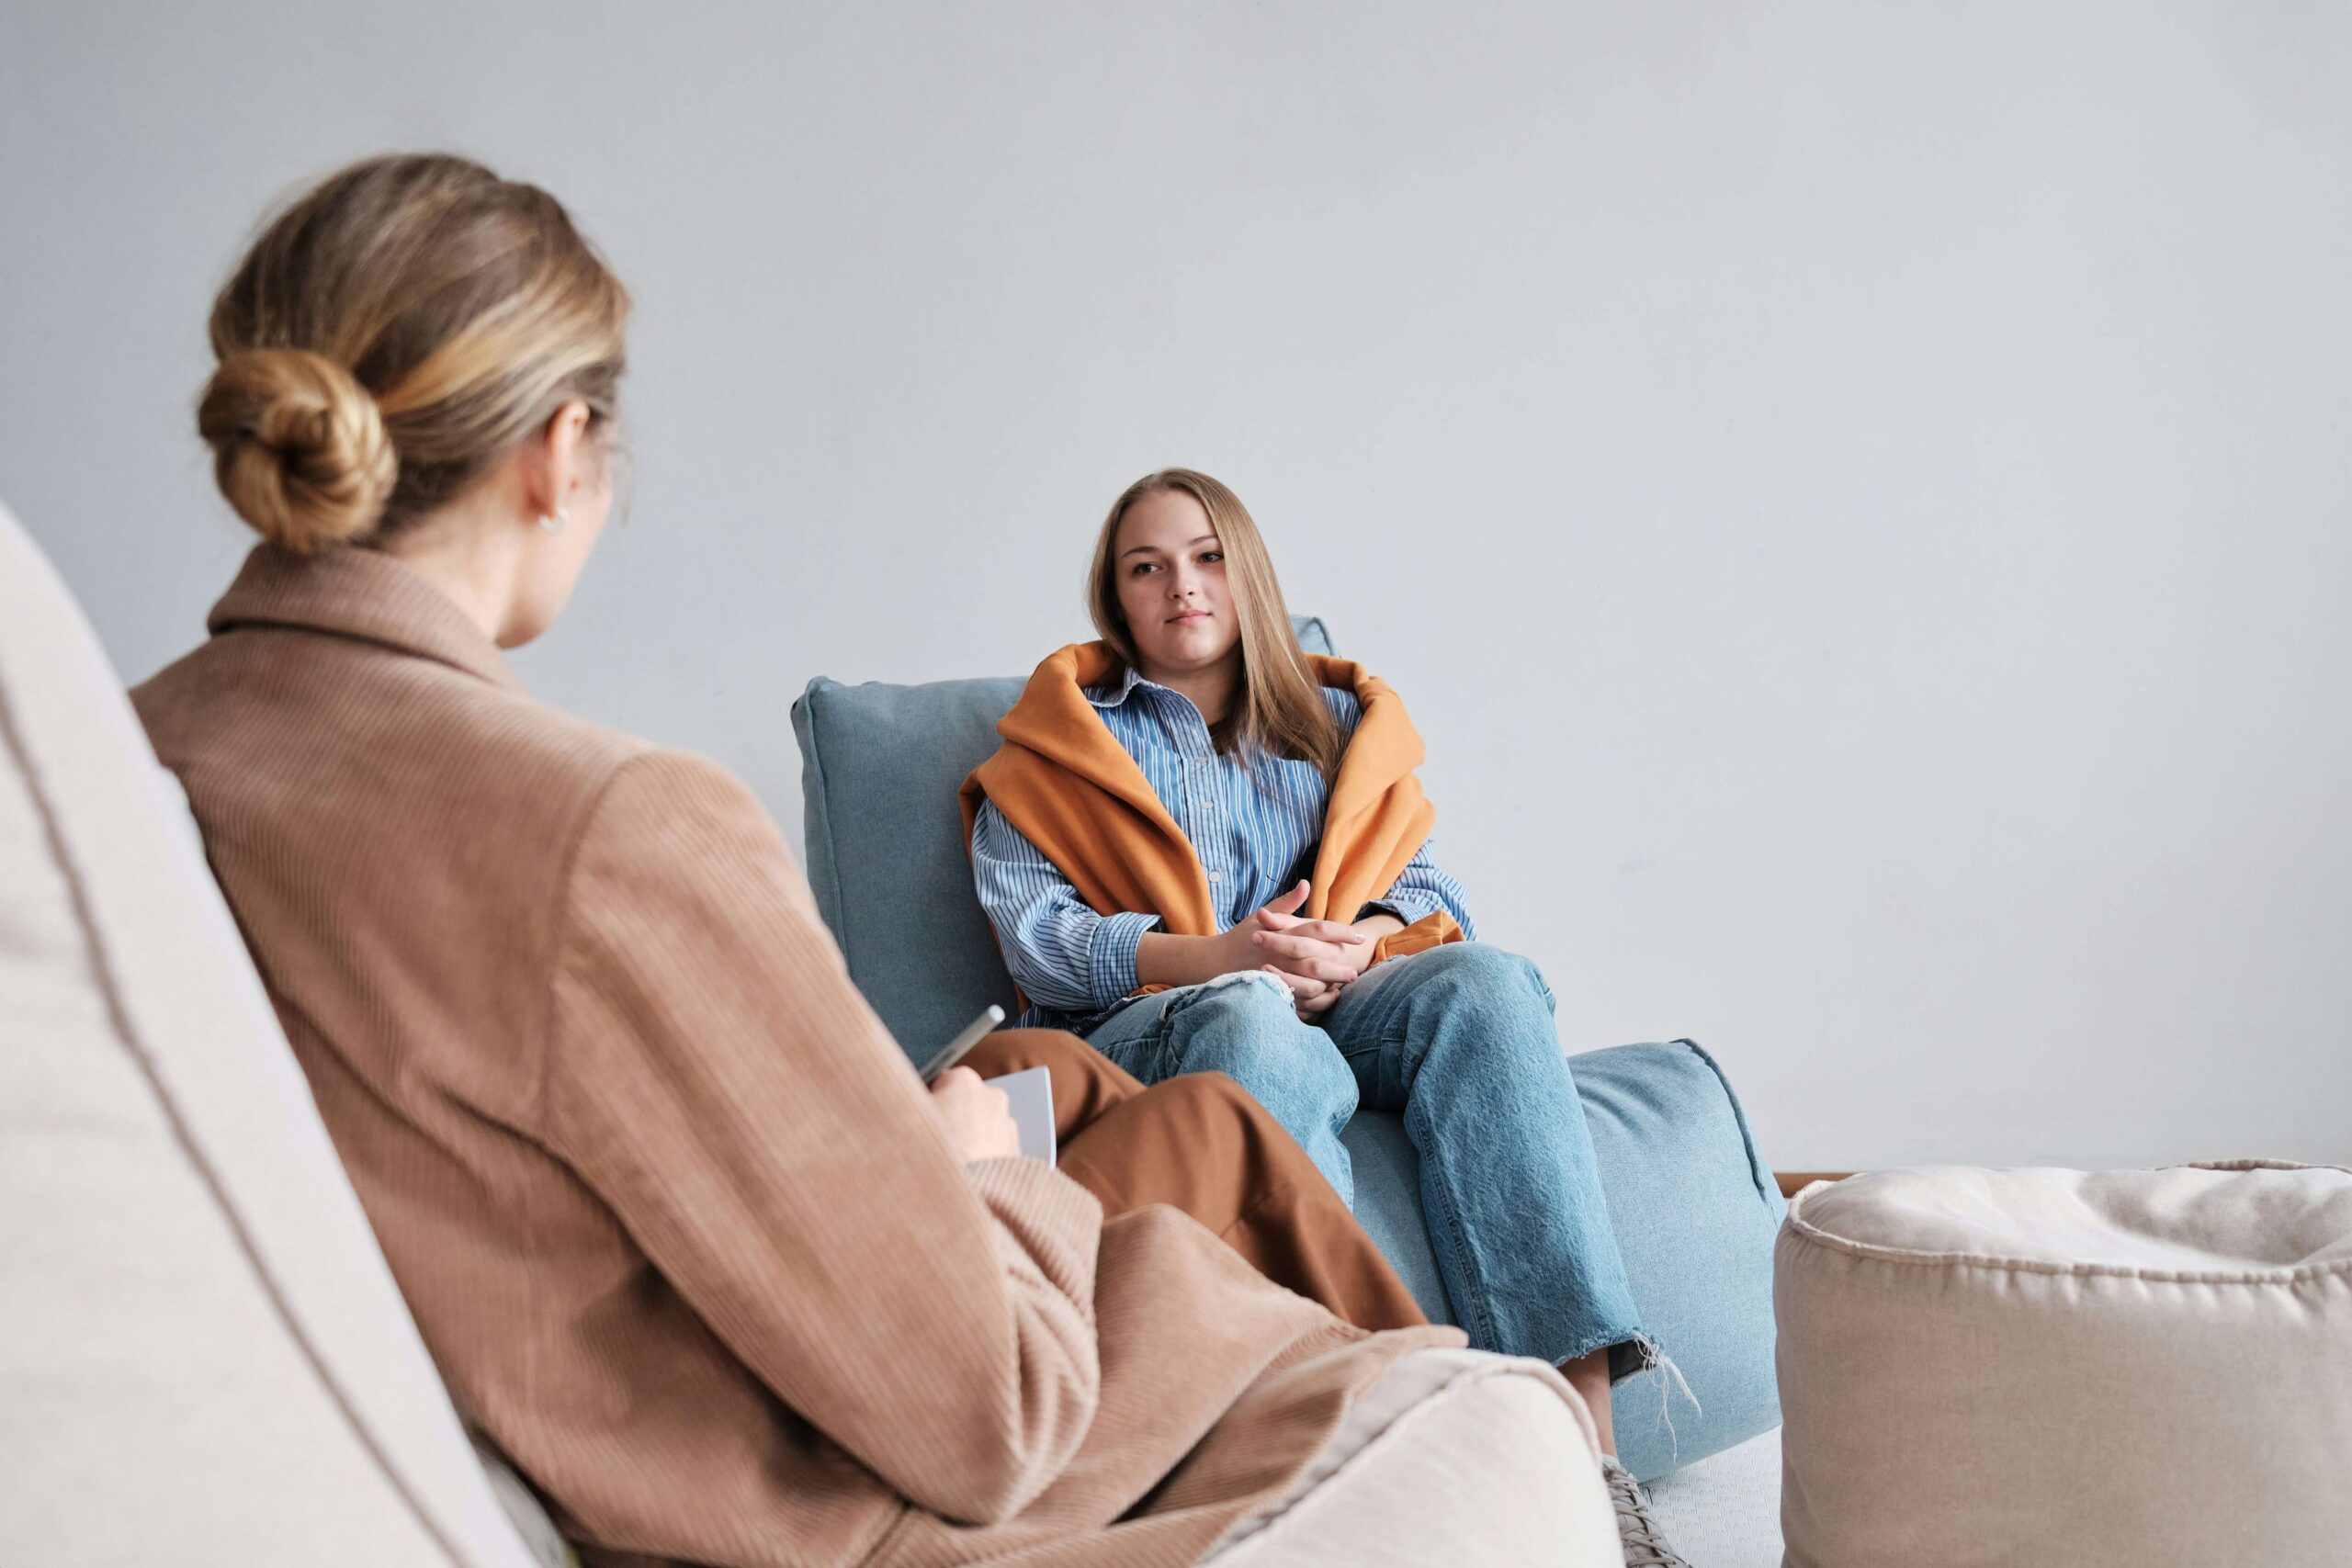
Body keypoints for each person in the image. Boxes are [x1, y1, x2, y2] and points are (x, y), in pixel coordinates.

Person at [129, 154, 1618, 1568]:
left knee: (1133, 1098)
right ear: (559, 451)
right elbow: (978, 1410)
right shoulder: (613, 825)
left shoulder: (132, 766)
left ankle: (1476, 1387)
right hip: (835, 1482)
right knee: (1256, 1207)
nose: (1182, 586)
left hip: (684, 1360)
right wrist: (980, 1171)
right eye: (1151, 563)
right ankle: (1464, 1418)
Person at [963, 468, 1684, 1515]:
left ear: (1247, 571)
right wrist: (1221, 956)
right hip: (1155, 1022)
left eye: (1207, 557)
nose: (1182, 585)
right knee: (1253, 1015)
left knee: (1486, 981)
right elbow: (1040, 942)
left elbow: (1426, 888)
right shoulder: (1060, 745)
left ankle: (1585, 1458)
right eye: (1146, 567)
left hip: (1337, 997)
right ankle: (1330, 1454)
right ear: (1114, 597)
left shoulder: (1334, 722)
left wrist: (1360, 943)